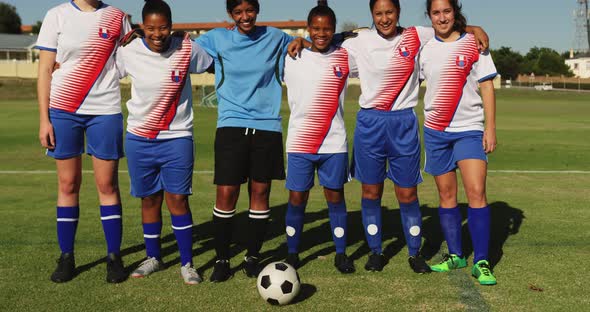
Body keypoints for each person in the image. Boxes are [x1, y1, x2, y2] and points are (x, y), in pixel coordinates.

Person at [339, 0, 488, 273]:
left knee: (407, 193)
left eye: (390, 12)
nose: (384, 18)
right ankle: (375, 251)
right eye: (379, 13)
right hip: (370, 123)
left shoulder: (418, 35)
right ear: (372, 14)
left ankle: (414, 253)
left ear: (398, 12)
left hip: (403, 122)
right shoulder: (357, 41)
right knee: (371, 191)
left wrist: (475, 27)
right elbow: (323, 49)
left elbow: (449, 29)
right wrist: (302, 44)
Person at [193, 0, 305, 282]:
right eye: (238, 12)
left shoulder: (276, 37)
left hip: (267, 127)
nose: (245, 17)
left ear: (257, 10)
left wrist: (300, 40)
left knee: (260, 193)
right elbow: (182, 46)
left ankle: (252, 257)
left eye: (250, 10)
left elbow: (303, 42)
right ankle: (221, 259)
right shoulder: (216, 38)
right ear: (230, 15)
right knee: (227, 194)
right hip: (230, 125)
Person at [115, 0, 213, 285]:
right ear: (142, 27)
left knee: (178, 199)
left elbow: (215, 63)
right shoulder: (128, 51)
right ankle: (153, 258)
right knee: (149, 199)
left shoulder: (187, 49)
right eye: (151, 28)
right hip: (139, 139)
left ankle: (187, 263)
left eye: (164, 27)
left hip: (177, 138)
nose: (157, 34)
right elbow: (103, 69)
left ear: (172, 26)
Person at [36, 0, 131, 283]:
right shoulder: (57, 16)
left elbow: (130, 60)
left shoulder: (116, 16)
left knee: (108, 185)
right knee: (68, 184)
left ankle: (114, 257)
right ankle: (67, 257)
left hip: (105, 110)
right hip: (63, 110)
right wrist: (44, 119)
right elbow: (44, 71)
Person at [420, 0, 498, 285]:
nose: (442, 17)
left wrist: (489, 128)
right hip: (436, 132)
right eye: (436, 13)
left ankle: (482, 261)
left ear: (456, 12)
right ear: (429, 16)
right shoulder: (424, 47)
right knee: (446, 196)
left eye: (447, 11)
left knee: (476, 192)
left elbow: (487, 86)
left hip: (468, 129)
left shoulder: (474, 44)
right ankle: (455, 255)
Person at [282, 4, 355, 274]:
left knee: (335, 196)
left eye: (327, 29)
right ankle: (292, 253)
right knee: (297, 197)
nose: (321, 33)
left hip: (334, 142)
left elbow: (365, 36)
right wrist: (299, 41)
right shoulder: (291, 55)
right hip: (300, 142)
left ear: (334, 31)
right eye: (316, 28)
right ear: (307, 28)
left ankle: (340, 253)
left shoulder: (346, 56)